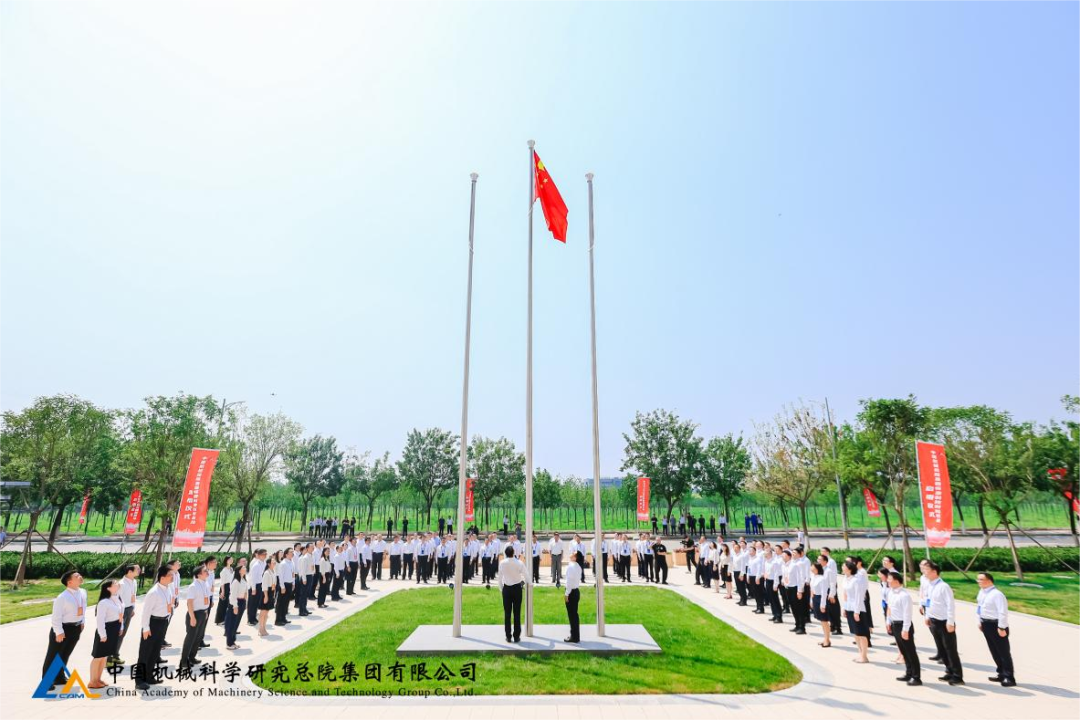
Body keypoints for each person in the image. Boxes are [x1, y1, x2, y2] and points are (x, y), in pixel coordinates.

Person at [42, 570, 87, 688]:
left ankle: (59, 677)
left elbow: (83, 608)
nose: (80, 576)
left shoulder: (83, 592)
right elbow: (56, 617)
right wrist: (59, 632)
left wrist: (82, 622)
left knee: (65, 654)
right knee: (53, 655)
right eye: (76, 576)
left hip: (76, 627)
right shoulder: (62, 597)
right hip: (63, 628)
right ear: (69, 582)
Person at [924, 561, 963, 685]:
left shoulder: (943, 586)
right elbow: (928, 602)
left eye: (926, 570)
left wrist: (950, 622)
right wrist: (927, 616)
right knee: (941, 649)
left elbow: (950, 605)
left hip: (945, 622)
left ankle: (957, 676)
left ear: (934, 572)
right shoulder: (929, 585)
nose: (924, 572)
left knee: (950, 649)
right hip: (933, 621)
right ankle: (949, 671)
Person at [135, 565, 173, 689]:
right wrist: (146, 628)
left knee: (155, 651)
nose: (172, 577)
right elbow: (146, 612)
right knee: (145, 652)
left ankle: (149, 676)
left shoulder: (168, 589)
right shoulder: (154, 592)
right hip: (152, 623)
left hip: (163, 622)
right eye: (170, 575)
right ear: (162, 577)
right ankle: (139, 681)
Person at [975, 572, 1016, 686]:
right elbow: (979, 608)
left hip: (996, 625)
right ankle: (1001, 673)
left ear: (989, 581)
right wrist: (979, 621)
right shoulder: (981, 592)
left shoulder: (997, 594)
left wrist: (1001, 627)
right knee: (994, 651)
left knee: (1003, 652)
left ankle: (1009, 677)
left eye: (981, 579)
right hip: (986, 624)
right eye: (978, 579)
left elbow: (1002, 612)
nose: (978, 581)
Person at [84, 579, 122, 689]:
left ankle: (98, 679)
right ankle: (92, 681)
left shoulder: (116, 599)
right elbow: (100, 620)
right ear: (108, 588)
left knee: (104, 656)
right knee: (98, 656)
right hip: (106, 630)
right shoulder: (103, 602)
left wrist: (121, 627)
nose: (118, 584)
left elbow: (121, 614)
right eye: (115, 584)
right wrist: (103, 635)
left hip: (114, 628)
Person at [887, 570, 921, 685]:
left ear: (896, 581)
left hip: (903, 625)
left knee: (910, 652)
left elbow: (907, 614)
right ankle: (908, 673)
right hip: (895, 624)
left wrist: (905, 629)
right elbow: (889, 608)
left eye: (890, 579)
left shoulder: (904, 596)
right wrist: (888, 621)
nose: (888, 581)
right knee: (903, 651)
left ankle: (916, 677)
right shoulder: (891, 593)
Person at [180, 564, 210, 669]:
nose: (207, 572)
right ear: (199, 574)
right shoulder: (193, 586)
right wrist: (192, 617)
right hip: (195, 614)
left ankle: (192, 657)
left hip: (203, 613)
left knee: (198, 637)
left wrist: (206, 611)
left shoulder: (205, 583)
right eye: (205, 571)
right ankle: (184, 661)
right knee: (190, 638)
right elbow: (189, 603)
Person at [841, 560, 869, 663]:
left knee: (861, 633)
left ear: (849, 569)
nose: (842, 567)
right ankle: (860, 654)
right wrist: (844, 607)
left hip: (857, 609)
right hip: (849, 607)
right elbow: (845, 595)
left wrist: (857, 612)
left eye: (843, 566)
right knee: (855, 633)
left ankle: (864, 656)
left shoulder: (856, 580)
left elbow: (859, 597)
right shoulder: (845, 579)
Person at [112, 564, 139, 666]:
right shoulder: (121, 584)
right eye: (137, 569)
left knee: (122, 633)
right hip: (121, 611)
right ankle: (110, 656)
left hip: (129, 609)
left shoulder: (134, 582)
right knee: (117, 633)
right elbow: (116, 599)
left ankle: (115, 655)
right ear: (130, 572)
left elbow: (134, 595)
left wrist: (133, 608)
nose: (139, 570)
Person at [498, 545, 525, 643]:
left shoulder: (502, 563)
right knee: (517, 613)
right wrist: (528, 583)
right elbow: (526, 575)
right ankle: (516, 636)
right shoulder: (519, 563)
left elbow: (499, 578)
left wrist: (502, 589)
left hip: (507, 589)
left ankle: (508, 636)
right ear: (513, 553)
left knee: (507, 614)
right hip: (517, 588)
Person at [225, 563, 248, 650]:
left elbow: (245, 592)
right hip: (236, 603)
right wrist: (235, 606)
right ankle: (229, 643)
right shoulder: (235, 581)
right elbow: (233, 596)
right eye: (243, 568)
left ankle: (233, 641)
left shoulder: (244, 580)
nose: (245, 569)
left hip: (242, 602)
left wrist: (245, 602)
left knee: (236, 623)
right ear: (239, 571)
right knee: (232, 623)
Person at [808, 562, 832, 648]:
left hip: (821, 599)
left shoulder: (822, 579)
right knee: (822, 621)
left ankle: (827, 640)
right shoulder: (813, 577)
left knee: (824, 621)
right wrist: (811, 601)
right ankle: (825, 639)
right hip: (815, 598)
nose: (811, 567)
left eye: (812, 566)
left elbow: (824, 593)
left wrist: (822, 605)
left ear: (816, 568)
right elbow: (812, 590)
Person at [564, 551, 583, 643]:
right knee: (574, 615)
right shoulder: (578, 566)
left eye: (573, 553)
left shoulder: (571, 566)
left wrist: (566, 594)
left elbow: (569, 582)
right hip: (576, 591)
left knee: (572, 616)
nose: (571, 553)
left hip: (571, 592)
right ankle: (576, 636)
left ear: (575, 558)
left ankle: (574, 637)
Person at [258, 556, 278, 637]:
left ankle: (264, 627)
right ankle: (260, 628)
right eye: (273, 562)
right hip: (266, 593)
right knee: (263, 612)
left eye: (275, 562)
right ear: (269, 564)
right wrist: (266, 596)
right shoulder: (266, 573)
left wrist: (273, 594)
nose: (274, 563)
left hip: (271, 592)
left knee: (267, 612)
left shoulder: (273, 571)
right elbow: (264, 586)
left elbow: (274, 584)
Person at [215, 556, 234, 625]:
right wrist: (222, 592)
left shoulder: (231, 569)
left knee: (228, 604)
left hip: (230, 587)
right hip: (224, 588)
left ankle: (225, 619)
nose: (231, 560)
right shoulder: (224, 570)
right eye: (229, 559)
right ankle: (219, 620)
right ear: (226, 561)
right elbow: (222, 582)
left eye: (232, 559)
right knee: (222, 604)